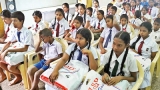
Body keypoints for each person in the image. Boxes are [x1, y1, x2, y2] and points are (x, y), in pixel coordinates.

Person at [0, 11, 34, 85]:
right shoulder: (15, 30)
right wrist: (2, 51)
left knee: (10, 66)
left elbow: (25, 48)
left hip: (28, 51)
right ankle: (19, 76)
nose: (13, 23)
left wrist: (8, 50)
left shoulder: (27, 32)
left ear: (21, 21)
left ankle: (23, 76)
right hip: (19, 48)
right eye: (12, 21)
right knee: (1, 61)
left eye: (15, 20)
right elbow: (9, 42)